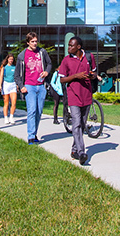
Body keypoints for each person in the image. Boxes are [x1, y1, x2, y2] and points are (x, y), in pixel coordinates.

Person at [58, 37, 98, 165]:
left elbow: (95, 73)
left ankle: (74, 150)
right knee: (76, 123)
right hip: (73, 96)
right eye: (69, 45)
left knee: (81, 123)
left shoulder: (89, 57)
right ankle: (81, 152)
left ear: (79, 47)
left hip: (86, 95)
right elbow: (62, 80)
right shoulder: (66, 60)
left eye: (71, 46)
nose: (69, 48)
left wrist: (92, 76)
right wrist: (76, 76)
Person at [15, 33, 52, 145]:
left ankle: (34, 133)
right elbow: (17, 74)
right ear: (28, 42)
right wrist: (21, 86)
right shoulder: (22, 55)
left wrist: (46, 72)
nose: (35, 43)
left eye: (36, 41)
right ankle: (31, 137)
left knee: (39, 112)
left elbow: (49, 64)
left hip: (41, 86)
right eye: (32, 41)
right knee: (32, 111)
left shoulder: (42, 52)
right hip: (29, 86)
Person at [0, 54, 18, 124]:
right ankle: (6, 117)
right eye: (10, 59)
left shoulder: (15, 67)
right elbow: (1, 77)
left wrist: (17, 85)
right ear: (7, 60)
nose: (11, 60)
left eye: (12, 59)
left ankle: (11, 117)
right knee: (6, 103)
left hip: (13, 85)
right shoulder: (4, 67)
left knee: (14, 102)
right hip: (6, 85)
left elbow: (16, 77)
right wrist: (0, 86)